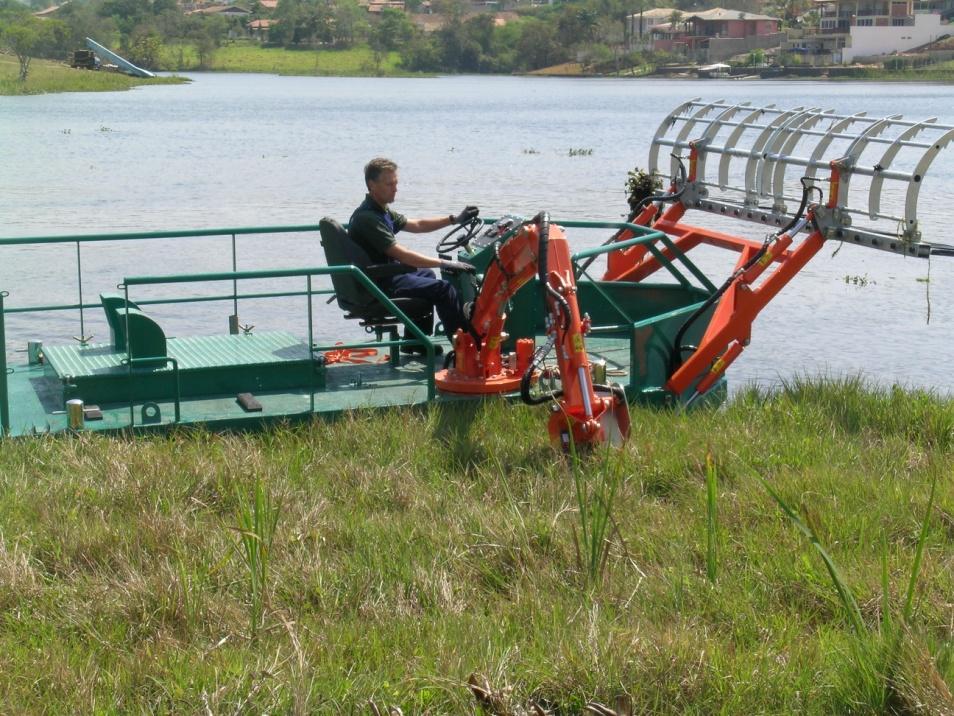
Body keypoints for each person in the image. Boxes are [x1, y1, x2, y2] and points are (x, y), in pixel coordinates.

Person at [349, 157, 477, 350]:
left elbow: (417, 225)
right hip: (377, 284)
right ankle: (465, 350)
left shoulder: (380, 211)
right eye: (389, 184)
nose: (395, 188)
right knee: (444, 289)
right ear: (371, 185)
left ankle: (414, 343)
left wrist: (454, 219)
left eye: (396, 183)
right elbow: (402, 255)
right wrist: (445, 263)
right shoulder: (368, 218)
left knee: (426, 274)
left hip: (379, 275)